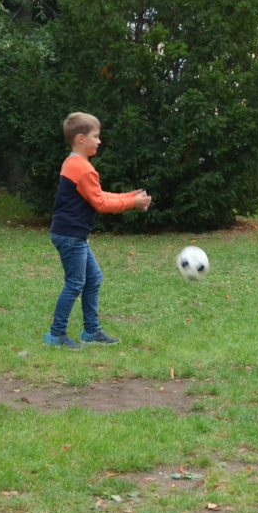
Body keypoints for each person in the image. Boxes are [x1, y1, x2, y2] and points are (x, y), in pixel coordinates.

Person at [44, 112, 151, 348]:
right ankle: (56, 334)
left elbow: (98, 195)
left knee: (93, 278)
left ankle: (91, 331)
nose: (99, 141)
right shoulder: (83, 169)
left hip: (72, 234)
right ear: (81, 138)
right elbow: (101, 203)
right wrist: (132, 203)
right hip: (71, 235)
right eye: (96, 136)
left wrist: (129, 196)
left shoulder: (73, 163)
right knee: (75, 283)